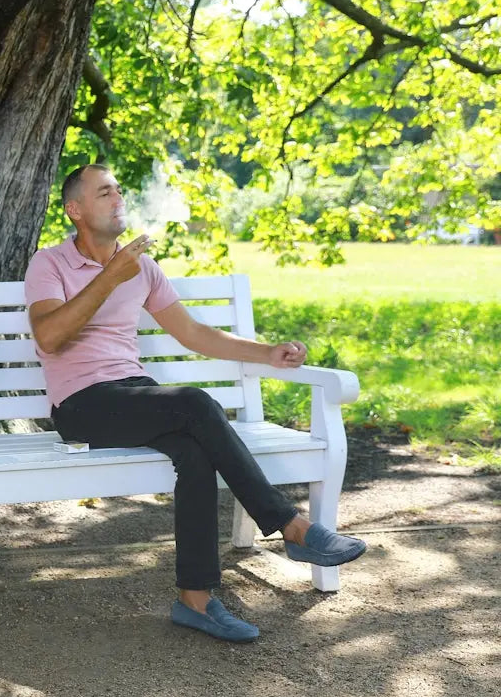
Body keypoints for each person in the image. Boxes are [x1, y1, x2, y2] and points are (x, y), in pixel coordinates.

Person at [23, 163, 366, 642]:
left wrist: (266, 353)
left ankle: (195, 600)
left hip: (134, 393)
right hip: (81, 406)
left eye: (120, 189)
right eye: (105, 192)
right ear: (75, 210)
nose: (118, 197)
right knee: (198, 404)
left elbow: (193, 333)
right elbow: (50, 337)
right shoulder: (50, 264)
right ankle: (290, 525)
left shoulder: (140, 266)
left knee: (194, 450)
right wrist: (109, 278)